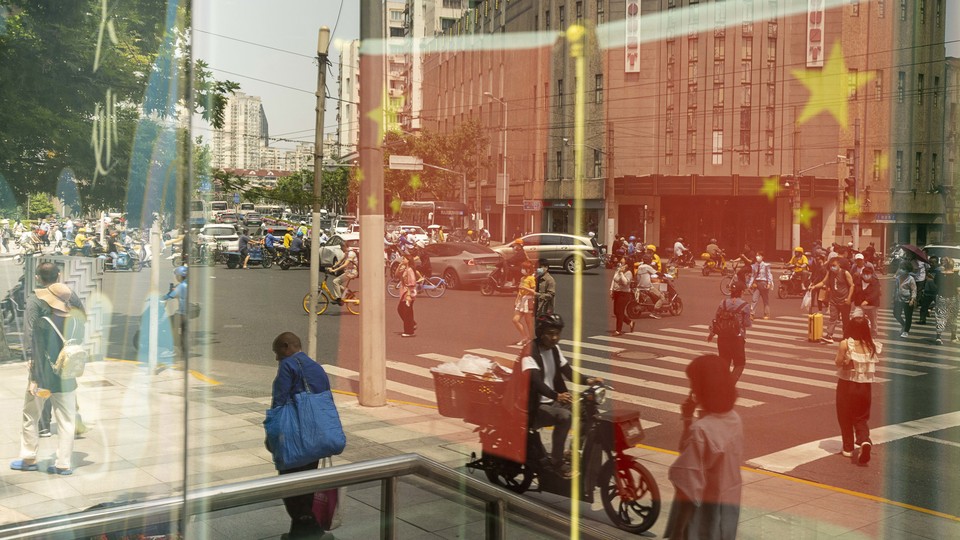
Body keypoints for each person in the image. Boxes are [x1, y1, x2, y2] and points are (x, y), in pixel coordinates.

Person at [10, 262, 86, 476]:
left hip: (43, 373)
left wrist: (31, 363)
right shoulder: (71, 299)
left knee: (31, 413)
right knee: (67, 418)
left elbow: (30, 332)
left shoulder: (35, 301)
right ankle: (63, 464)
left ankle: (28, 457)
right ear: (59, 275)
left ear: (37, 278)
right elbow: (83, 321)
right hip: (67, 370)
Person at [663, 355, 742, 540]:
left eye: (693, 384)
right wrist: (688, 419)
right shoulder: (734, 419)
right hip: (728, 507)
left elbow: (687, 487)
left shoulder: (702, 430)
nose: (691, 389)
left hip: (702, 518)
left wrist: (677, 532)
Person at [268, 332, 334, 539]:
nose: (277, 358)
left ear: (287, 346)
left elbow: (279, 403)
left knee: (289, 485)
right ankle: (302, 530)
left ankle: (307, 528)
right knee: (307, 484)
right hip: (315, 436)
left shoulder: (288, 366)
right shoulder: (316, 367)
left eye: (277, 352)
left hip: (294, 438)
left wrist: (271, 434)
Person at [520, 314, 603, 477]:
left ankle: (572, 452)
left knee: (589, 411)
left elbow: (569, 373)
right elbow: (536, 382)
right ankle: (556, 462)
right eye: (550, 333)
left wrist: (589, 380)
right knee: (564, 417)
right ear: (540, 332)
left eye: (557, 333)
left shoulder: (555, 350)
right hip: (535, 406)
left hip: (554, 399)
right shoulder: (529, 352)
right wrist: (557, 396)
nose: (554, 338)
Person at [833, 317, 881, 463]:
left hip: (847, 385)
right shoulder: (871, 345)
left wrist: (846, 361)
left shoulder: (846, 344)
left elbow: (838, 363)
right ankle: (864, 440)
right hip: (865, 387)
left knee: (844, 415)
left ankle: (848, 448)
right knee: (861, 417)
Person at [707, 281, 752, 381]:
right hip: (737, 338)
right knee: (739, 364)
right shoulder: (745, 305)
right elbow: (747, 323)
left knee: (724, 362)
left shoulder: (723, 303)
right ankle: (729, 386)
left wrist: (711, 334)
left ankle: (720, 385)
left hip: (722, 338)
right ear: (741, 292)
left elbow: (716, 319)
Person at [811, 256, 854, 344]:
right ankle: (829, 335)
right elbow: (823, 282)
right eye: (831, 266)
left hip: (844, 300)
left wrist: (849, 298)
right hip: (834, 300)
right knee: (833, 318)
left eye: (834, 265)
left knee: (845, 319)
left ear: (839, 265)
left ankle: (846, 336)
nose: (832, 267)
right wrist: (814, 286)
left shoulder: (845, 273)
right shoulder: (830, 273)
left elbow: (852, 286)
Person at [163, 266, 188, 358]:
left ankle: (171, 349)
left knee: (167, 326)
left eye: (177, 275)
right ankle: (184, 352)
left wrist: (161, 299)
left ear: (179, 276)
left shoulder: (181, 286)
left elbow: (169, 296)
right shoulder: (186, 284)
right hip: (187, 313)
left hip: (181, 313)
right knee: (184, 332)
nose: (176, 277)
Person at [933, 257, 959, 344]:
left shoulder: (939, 275)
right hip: (953, 297)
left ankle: (938, 337)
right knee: (953, 316)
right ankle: (953, 337)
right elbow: (958, 289)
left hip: (941, 297)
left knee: (940, 316)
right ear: (952, 265)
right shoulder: (956, 276)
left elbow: (936, 284)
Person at [851, 263, 881, 338]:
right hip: (860, 304)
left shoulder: (875, 282)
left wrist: (867, 301)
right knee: (855, 317)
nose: (866, 275)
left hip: (871, 305)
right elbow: (855, 292)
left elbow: (876, 293)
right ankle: (857, 333)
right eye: (864, 274)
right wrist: (850, 300)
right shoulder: (858, 281)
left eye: (868, 274)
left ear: (871, 274)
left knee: (873, 321)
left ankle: (873, 334)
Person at [512, 261, 536, 345]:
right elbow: (520, 291)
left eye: (524, 268)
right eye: (522, 268)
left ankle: (530, 338)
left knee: (528, 321)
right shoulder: (522, 278)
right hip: (521, 300)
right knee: (515, 320)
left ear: (529, 270)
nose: (522, 270)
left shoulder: (531, 278)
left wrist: (525, 289)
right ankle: (524, 337)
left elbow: (534, 291)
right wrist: (517, 300)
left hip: (528, 300)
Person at [610, 257, 635, 335]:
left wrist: (621, 273)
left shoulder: (629, 273)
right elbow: (614, 279)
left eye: (624, 259)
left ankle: (618, 330)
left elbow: (625, 283)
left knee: (620, 312)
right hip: (617, 292)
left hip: (624, 294)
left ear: (627, 263)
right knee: (616, 312)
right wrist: (611, 290)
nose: (622, 259)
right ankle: (630, 322)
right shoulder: (619, 268)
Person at [635, 254, 664, 318]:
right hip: (648, 288)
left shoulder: (640, 267)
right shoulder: (648, 267)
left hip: (639, 288)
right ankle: (655, 312)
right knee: (662, 298)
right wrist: (663, 274)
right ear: (649, 260)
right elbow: (657, 273)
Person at [746, 251, 773, 319]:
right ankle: (752, 314)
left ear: (762, 257)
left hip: (764, 283)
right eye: (756, 255)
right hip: (757, 283)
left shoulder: (766, 266)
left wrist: (769, 283)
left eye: (759, 255)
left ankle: (766, 314)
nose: (757, 257)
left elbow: (769, 275)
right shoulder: (754, 265)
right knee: (754, 299)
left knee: (765, 300)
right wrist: (749, 284)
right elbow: (753, 276)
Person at [893, 260, 917, 338]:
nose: (901, 270)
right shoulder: (898, 278)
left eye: (904, 269)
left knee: (908, 316)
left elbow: (914, 290)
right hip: (898, 299)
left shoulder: (911, 279)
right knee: (896, 314)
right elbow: (896, 289)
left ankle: (906, 331)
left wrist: (912, 299)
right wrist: (894, 297)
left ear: (907, 270)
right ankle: (903, 325)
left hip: (908, 300)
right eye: (901, 268)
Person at [397, 253, 418, 337]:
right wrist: (399, 266)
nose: (403, 260)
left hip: (408, 293)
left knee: (407, 312)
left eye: (404, 259)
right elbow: (397, 275)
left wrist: (409, 295)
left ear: (408, 260)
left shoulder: (410, 270)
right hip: (404, 293)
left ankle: (409, 331)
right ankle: (411, 324)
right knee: (401, 309)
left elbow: (412, 283)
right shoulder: (406, 269)